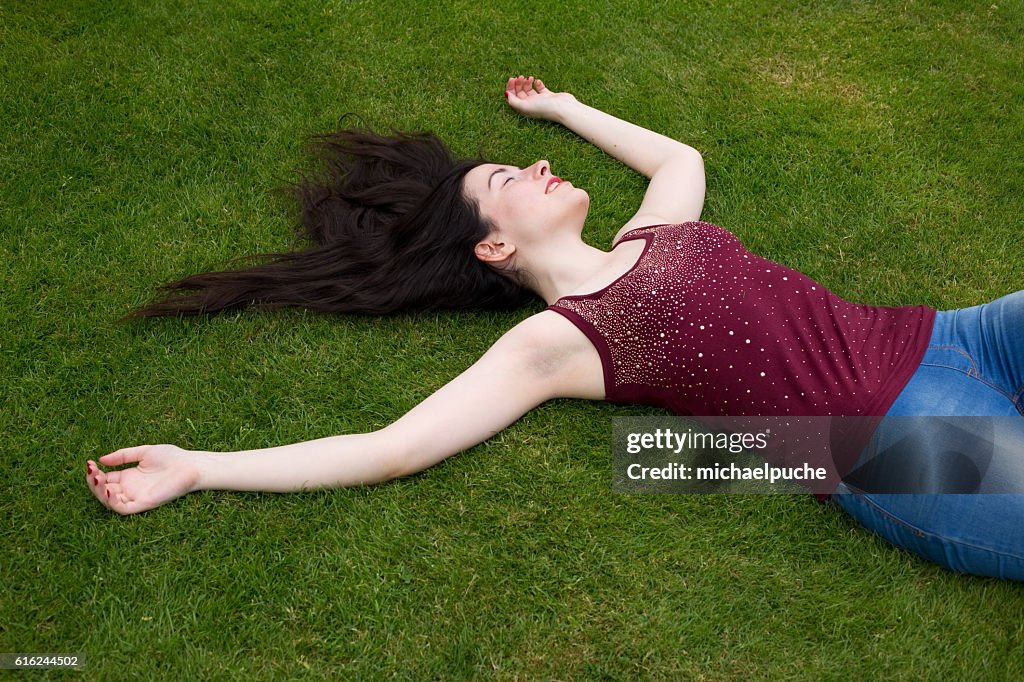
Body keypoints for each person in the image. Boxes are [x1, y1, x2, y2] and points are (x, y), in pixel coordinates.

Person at [85, 75, 1024, 581]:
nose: (533, 167)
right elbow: (390, 449)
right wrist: (203, 467)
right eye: (508, 182)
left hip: (954, 337)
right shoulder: (559, 342)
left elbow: (679, 156)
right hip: (886, 441)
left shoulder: (655, 229)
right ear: (494, 251)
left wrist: (564, 108)